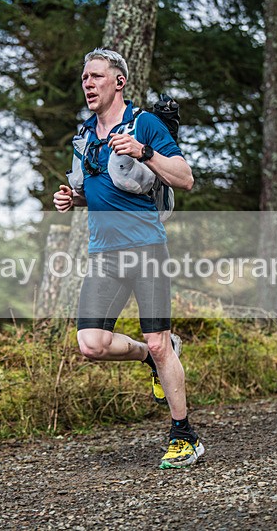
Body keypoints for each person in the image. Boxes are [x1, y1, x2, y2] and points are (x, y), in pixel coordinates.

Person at [52, 48, 204, 469]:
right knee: (91, 344)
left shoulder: (145, 125)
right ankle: (151, 357)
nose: (88, 83)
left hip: (147, 250)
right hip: (103, 254)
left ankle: (184, 435)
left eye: (97, 76)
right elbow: (95, 190)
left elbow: (185, 178)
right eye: (85, 78)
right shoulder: (83, 138)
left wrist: (144, 152)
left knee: (158, 341)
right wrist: (73, 198)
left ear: (118, 82)